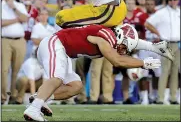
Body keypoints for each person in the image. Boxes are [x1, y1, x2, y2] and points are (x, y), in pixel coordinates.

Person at [23, 23, 173, 121]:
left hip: (63, 51)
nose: (123, 50)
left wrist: (153, 48)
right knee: (58, 77)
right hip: (54, 43)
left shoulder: (114, 36)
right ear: (120, 38)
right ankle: (34, 108)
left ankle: (41, 98)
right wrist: (143, 63)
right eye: (123, 47)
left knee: (75, 86)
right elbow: (117, 61)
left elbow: (131, 43)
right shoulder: (106, 37)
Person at [145, 0, 180, 105]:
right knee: (165, 71)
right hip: (166, 43)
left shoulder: (179, 12)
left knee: (175, 72)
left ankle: (173, 97)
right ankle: (160, 98)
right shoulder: (162, 12)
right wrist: (159, 34)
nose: (172, 1)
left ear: (177, 0)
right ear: (167, 1)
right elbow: (147, 23)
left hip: (178, 43)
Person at [1, 0, 28, 104]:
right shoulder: (1, 5)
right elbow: (1, 23)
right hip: (4, 40)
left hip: (20, 40)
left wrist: (14, 9)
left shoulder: (19, 5)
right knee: (4, 70)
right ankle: (2, 97)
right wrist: (17, 19)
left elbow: (25, 19)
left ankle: (13, 96)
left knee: (16, 70)